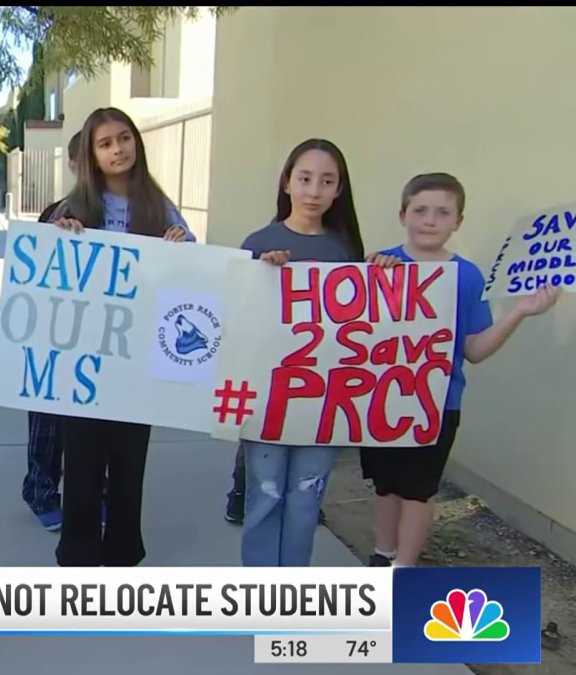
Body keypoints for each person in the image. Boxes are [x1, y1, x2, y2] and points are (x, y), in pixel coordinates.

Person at [361, 173, 561, 568]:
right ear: (403, 215)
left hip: (437, 403)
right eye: (420, 210)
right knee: (385, 484)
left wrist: (518, 312)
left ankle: (405, 567)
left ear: (458, 222)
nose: (430, 220)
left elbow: (475, 349)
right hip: (379, 399)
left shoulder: (467, 276)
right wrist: (369, 274)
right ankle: (382, 555)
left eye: (442, 212)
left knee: (418, 490)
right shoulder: (379, 264)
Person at [48, 107, 195, 567]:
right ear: (91, 154)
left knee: (130, 462)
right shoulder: (71, 208)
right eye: (106, 143)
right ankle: (78, 553)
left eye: (124, 138)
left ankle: (124, 551)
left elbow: (191, 274)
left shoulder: (160, 205)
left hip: (139, 359)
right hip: (84, 359)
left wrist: (181, 252)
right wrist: (59, 239)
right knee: (83, 462)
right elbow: (45, 277)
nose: (118, 149)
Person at [237, 138, 366, 567]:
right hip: (267, 401)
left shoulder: (346, 253)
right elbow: (234, 316)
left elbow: (363, 326)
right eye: (305, 178)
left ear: (339, 190)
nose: (314, 190)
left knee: (306, 499)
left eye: (326, 181)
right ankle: (258, 593)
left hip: (323, 403)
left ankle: (293, 590)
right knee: (266, 495)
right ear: (287, 183)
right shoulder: (257, 243)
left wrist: (386, 276)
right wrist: (261, 275)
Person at [23, 131, 108, 531]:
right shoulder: (58, 212)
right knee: (49, 422)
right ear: (75, 165)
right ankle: (40, 491)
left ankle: (98, 491)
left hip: (110, 337)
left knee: (105, 421)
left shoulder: (133, 212)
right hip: (57, 335)